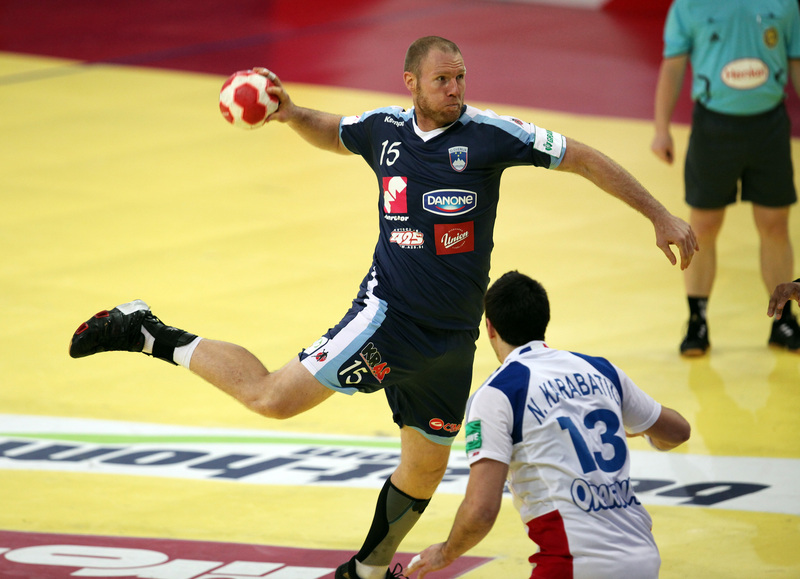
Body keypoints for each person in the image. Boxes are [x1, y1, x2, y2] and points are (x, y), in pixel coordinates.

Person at [69, 36, 696, 579]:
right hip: (388, 317)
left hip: (454, 340)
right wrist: (291, 114)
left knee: (423, 471)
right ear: (411, 83)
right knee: (272, 399)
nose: (455, 89)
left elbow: (581, 157)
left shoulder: (489, 135)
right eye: (442, 80)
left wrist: (659, 214)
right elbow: (336, 132)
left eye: (460, 78)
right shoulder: (385, 130)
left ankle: (366, 570)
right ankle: (146, 330)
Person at [407, 271, 691, 579]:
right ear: (544, 320)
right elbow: (678, 431)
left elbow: (481, 510)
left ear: (489, 328)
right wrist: (642, 432)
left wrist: (446, 552)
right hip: (642, 556)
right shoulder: (600, 370)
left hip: (574, 562)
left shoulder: (497, 393)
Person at [651, 0, 800, 356]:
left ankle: (783, 320)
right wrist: (661, 129)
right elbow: (673, 66)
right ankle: (697, 320)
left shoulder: (786, 3)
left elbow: (796, 62)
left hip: (769, 125)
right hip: (713, 127)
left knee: (775, 224)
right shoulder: (689, 5)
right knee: (704, 225)